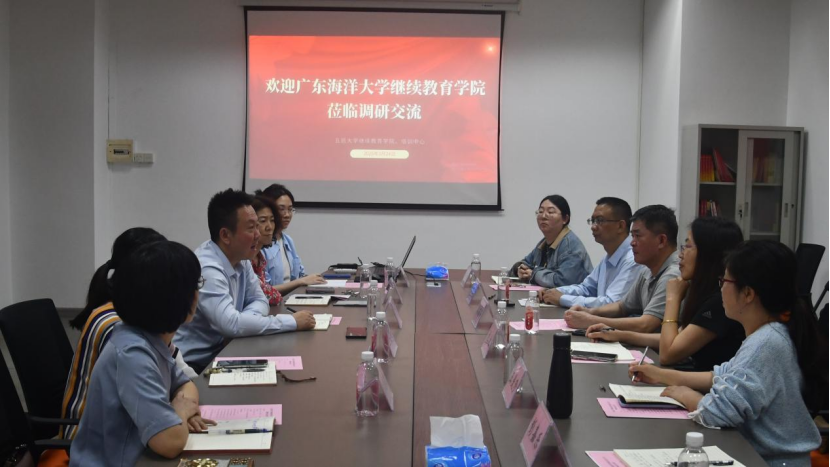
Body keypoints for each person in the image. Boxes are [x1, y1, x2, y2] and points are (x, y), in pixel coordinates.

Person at [629, 241, 828, 467]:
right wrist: (660, 375)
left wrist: (684, 393)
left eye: (724, 281)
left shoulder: (766, 343)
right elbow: (722, 376)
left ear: (748, 293)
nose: (720, 288)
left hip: (768, 461)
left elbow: (716, 413)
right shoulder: (768, 334)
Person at [69, 241, 216, 466]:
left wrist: (180, 412)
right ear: (183, 297)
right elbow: (170, 442)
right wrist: (180, 411)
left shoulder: (151, 338)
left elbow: (186, 385)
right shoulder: (132, 353)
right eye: (197, 284)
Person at [174, 189, 316, 373]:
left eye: (258, 226)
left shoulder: (243, 258)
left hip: (229, 349)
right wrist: (291, 322)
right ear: (225, 235)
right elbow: (231, 325)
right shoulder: (207, 267)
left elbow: (260, 300)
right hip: (198, 364)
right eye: (251, 228)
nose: (258, 234)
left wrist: (243, 320)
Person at [587, 217, 746, 371]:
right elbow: (676, 338)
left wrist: (673, 298)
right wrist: (618, 335)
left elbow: (668, 353)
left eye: (688, 246)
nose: (681, 254)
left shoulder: (719, 300)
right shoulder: (703, 291)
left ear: (708, 254)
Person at [564, 205, 680, 333]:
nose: (632, 242)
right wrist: (589, 311)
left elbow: (646, 324)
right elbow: (622, 306)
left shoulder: (672, 274)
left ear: (662, 241)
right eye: (632, 236)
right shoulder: (647, 270)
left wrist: (591, 320)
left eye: (638, 236)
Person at [541, 197, 641, 308]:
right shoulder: (608, 258)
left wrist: (562, 298)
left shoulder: (633, 259)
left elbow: (611, 303)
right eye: (592, 221)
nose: (593, 227)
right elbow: (586, 288)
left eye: (600, 220)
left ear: (620, 226)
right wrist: (554, 292)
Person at [255, 183, 325, 293]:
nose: (287, 214)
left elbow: (300, 275)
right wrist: (300, 282)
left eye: (290, 209)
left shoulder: (287, 240)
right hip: (275, 301)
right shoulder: (260, 244)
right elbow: (264, 291)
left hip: (291, 297)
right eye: (281, 209)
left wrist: (312, 279)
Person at [512, 194, 592, 288]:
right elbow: (526, 263)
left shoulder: (570, 247)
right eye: (540, 211)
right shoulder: (544, 243)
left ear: (565, 219)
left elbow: (563, 282)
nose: (543, 216)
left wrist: (533, 274)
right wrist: (519, 269)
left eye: (550, 212)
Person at [250, 196, 283, 306]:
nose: (269, 227)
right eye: (263, 221)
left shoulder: (260, 258)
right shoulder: (244, 258)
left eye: (272, 220)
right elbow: (266, 294)